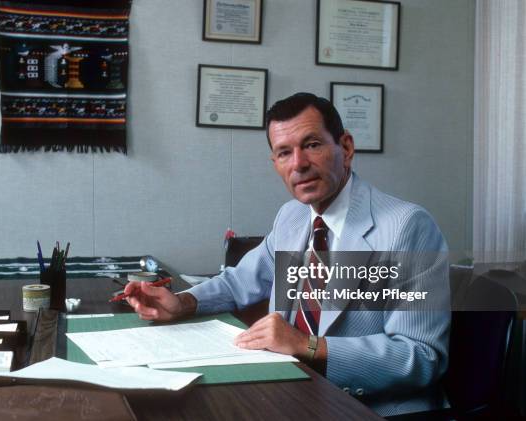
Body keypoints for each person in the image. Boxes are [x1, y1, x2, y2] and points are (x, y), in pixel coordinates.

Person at [125, 93, 450, 416]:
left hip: (368, 407)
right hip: (289, 392)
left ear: (346, 148)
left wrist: (306, 345)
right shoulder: (291, 217)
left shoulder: (407, 226)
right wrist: (182, 302)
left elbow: (421, 356)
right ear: (275, 163)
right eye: (284, 152)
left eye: (312, 145)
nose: (299, 164)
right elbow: (239, 282)